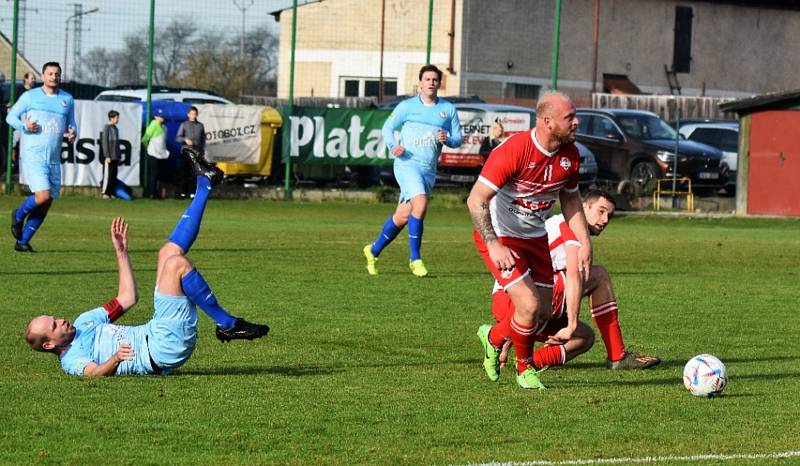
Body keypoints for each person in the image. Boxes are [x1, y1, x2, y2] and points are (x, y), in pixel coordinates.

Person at [24, 149, 270, 377]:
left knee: (167, 253)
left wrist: (121, 252)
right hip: (159, 350)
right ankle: (227, 324)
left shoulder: (84, 321)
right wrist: (115, 359)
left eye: (55, 317)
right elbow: (93, 373)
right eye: (54, 325)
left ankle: (205, 183)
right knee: (175, 264)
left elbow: (127, 299)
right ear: (49, 344)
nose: (61, 320)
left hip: (157, 332)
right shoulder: (71, 359)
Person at [467, 91, 591, 390]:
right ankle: (525, 369)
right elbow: (475, 200)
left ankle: (493, 337)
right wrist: (494, 244)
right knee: (529, 303)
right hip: (502, 237)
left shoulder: (570, 154)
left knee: (544, 312)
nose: (576, 122)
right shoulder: (514, 150)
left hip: (536, 237)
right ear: (548, 122)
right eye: (569, 118)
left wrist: (584, 241)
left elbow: (571, 200)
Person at [482, 190, 661, 378]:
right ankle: (617, 356)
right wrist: (571, 323)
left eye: (610, 214)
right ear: (584, 207)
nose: (606, 219)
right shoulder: (570, 225)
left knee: (584, 338)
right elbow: (574, 276)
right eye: (601, 211)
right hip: (512, 300)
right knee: (598, 275)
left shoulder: (565, 226)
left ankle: (530, 363)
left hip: (518, 303)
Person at [362, 64, 462, 277]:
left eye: (435, 80)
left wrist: (448, 139)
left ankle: (373, 250)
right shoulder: (407, 107)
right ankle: (415, 260)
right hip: (407, 164)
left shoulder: (448, 109)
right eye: (427, 79)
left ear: (439, 83)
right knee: (421, 203)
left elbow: (458, 138)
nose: (431, 83)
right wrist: (393, 146)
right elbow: (387, 128)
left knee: (402, 216)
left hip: (428, 170)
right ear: (420, 83)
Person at [6, 62, 77, 253]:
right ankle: (18, 214)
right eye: (50, 73)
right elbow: (10, 117)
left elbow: (72, 123)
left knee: (47, 202)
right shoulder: (30, 96)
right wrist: (24, 126)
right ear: (43, 76)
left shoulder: (67, 99)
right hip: (34, 155)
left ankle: (23, 242)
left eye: (57, 74)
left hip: (53, 159)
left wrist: (72, 133)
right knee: (42, 195)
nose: (54, 77)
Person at [175, 106, 206, 199]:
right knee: (184, 172)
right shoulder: (184, 124)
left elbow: (203, 139)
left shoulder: (200, 125)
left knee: (194, 173)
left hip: (196, 152)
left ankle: (192, 192)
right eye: (191, 114)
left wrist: (201, 149)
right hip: (186, 151)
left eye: (195, 114)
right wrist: (185, 140)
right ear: (188, 115)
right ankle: (182, 193)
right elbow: (177, 137)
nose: (193, 116)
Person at [141, 108, 169, 199]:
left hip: (161, 154)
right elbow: (145, 138)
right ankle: (151, 193)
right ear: (155, 117)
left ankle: (156, 192)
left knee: (158, 174)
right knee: (153, 174)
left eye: (163, 117)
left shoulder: (164, 127)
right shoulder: (153, 125)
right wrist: (148, 148)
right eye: (160, 116)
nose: (162, 118)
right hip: (153, 153)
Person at [100, 110, 121, 199]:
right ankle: (105, 192)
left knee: (113, 175)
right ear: (111, 118)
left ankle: (111, 192)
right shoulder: (107, 128)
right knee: (107, 175)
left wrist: (118, 155)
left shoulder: (115, 129)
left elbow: (117, 144)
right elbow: (104, 142)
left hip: (115, 156)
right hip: (109, 157)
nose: (118, 119)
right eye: (116, 118)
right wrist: (107, 155)